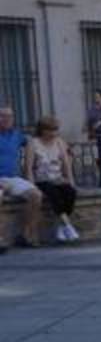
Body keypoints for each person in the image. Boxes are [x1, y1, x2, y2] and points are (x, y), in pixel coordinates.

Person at [24, 116, 79, 243]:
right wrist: (31, 186)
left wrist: (71, 181)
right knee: (54, 194)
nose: (54, 133)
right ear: (43, 130)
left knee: (71, 193)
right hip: (41, 180)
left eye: (56, 130)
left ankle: (62, 227)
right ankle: (68, 226)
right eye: (51, 130)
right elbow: (29, 167)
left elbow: (66, 164)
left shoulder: (59, 142)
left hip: (57, 177)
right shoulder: (33, 143)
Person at [0, 105, 44, 249]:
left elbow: (31, 142)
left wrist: (30, 169)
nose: (6, 119)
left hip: (13, 178)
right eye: (3, 116)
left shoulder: (17, 135)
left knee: (36, 195)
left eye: (10, 116)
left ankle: (26, 235)